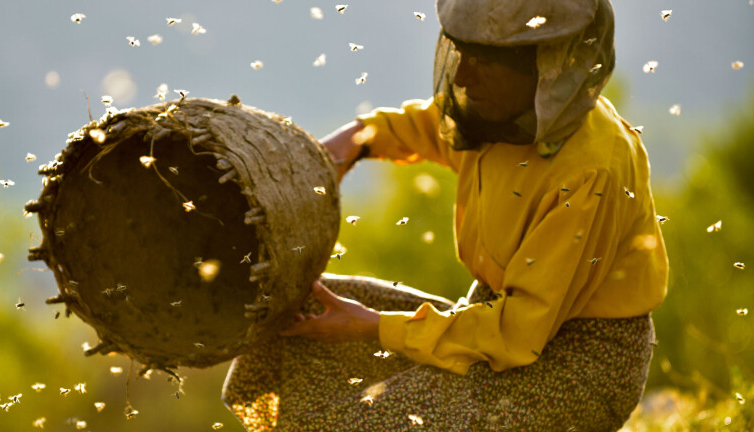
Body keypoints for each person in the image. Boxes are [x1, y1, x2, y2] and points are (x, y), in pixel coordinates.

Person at [222, 0, 668, 430]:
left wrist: (371, 327)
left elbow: (516, 333)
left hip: (575, 366)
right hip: (491, 324)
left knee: (367, 420)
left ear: (544, 65)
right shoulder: (503, 112)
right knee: (299, 312)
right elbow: (426, 125)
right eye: (462, 54)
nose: (464, 78)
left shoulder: (591, 171)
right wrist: (351, 144)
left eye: (484, 62)